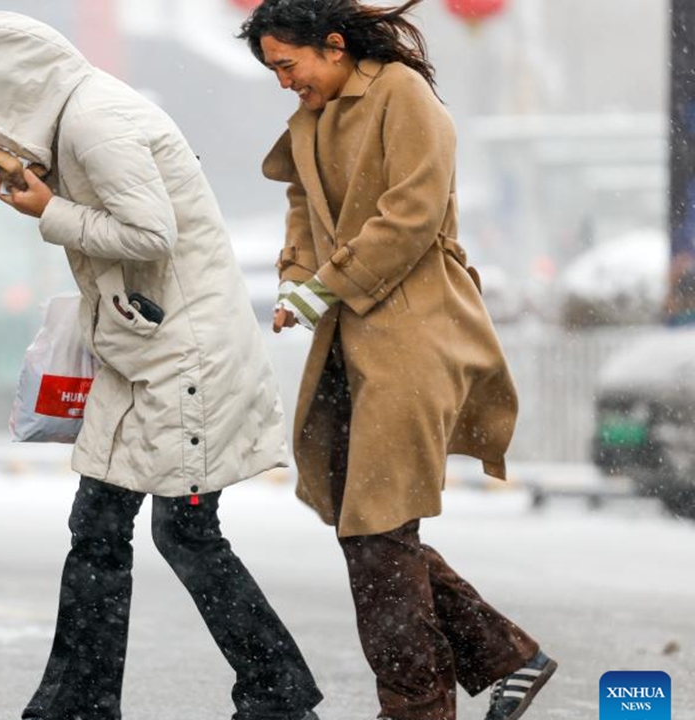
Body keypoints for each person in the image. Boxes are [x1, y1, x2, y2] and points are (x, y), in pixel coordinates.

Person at [0, 11, 323, 720]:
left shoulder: (93, 125)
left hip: (183, 364)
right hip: (147, 359)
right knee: (105, 528)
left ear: (6, 97)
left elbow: (150, 235)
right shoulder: (83, 111)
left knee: (180, 532)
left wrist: (52, 211)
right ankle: (88, 701)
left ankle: (273, 694)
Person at [237, 1, 555, 719]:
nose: (285, 82)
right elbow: (302, 205)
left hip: (413, 337)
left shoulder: (402, 96)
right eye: (272, 70)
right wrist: (296, 278)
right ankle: (508, 657)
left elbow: (412, 215)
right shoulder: (313, 118)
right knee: (371, 531)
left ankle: (417, 708)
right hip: (347, 345)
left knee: (377, 535)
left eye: (289, 64)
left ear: (335, 45)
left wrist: (327, 286)